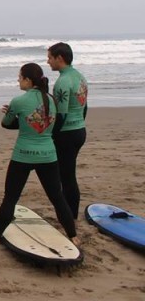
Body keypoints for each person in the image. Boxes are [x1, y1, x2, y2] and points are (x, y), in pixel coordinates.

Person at [0, 63, 79, 245]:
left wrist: (14, 115)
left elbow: (6, 123)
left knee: (11, 198)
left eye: (20, 77)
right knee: (57, 197)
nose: (18, 80)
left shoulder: (18, 101)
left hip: (22, 156)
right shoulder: (52, 99)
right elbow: (52, 126)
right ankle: (73, 235)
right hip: (48, 155)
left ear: (28, 80)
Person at [47, 42, 88, 219]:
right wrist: (78, 123)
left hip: (67, 134)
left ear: (60, 58)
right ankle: (71, 215)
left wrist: (52, 136)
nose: (48, 61)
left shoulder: (63, 82)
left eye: (50, 57)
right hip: (79, 130)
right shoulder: (80, 77)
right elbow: (85, 107)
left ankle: (69, 217)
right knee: (68, 175)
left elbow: (61, 115)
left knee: (66, 178)